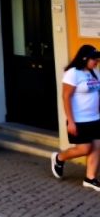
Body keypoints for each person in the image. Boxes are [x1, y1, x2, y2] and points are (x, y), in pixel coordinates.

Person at [50, 44, 100, 191]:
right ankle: (59, 158)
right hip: (79, 119)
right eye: (94, 59)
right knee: (84, 148)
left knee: (97, 147)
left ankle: (90, 178)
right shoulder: (73, 73)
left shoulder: (95, 73)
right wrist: (70, 121)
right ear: (84, 58)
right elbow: (66, 97)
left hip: (95, 118)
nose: (96, 62)